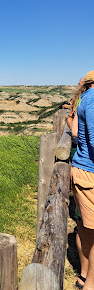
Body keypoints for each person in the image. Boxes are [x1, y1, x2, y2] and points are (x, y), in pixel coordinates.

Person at [71, 70, 94, 290]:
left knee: (86, 229)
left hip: (82, 169)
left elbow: (77, 132)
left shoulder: (84, 98)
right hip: (90, 172)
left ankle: (85, 278)